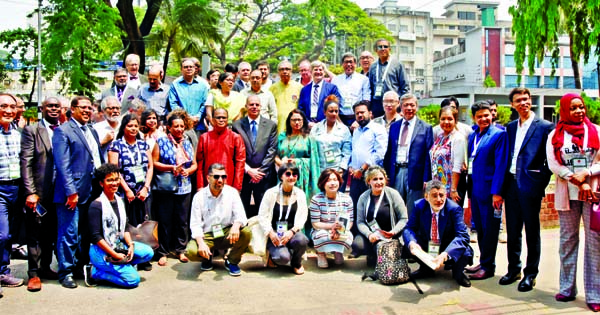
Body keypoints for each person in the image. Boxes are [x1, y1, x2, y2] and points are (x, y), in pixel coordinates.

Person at [547, 93, 600, 312]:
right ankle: (567, 288)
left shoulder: (596, 131)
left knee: (595, 243)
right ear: (564, 110)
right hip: (567, 193)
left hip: (593, 194)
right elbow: (553, 164)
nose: (579, 111)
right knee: (567, 241)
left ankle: (595, 293)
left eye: (581, 107)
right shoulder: (555, 134)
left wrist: (586, 173)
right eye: (574, 108)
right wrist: (575, 178)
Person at [499, 88, 555, 292]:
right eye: (518, 100)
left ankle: (530, 274)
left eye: (526, 99)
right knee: (512, 230)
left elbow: (550, 159)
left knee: (532, 231)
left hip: (530, 184)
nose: (523, 103)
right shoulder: (511, 127)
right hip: (511, 184)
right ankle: (514, 269)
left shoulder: (545, 126)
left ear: (530, 101)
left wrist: (539, 181)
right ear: (512, 105)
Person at [53, 96, 104, 288]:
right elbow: (62, 165)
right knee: (69, 233)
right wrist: (70, 192)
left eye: (90, 108)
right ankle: (65, 272)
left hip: (90, 189)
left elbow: (96, 158)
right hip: (71, 192)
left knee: (84, 232)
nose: (87, 111)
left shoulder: (91, 129)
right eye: (83, 108)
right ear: (72, 109)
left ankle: (78, 267)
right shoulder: (63, 131)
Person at [83, 163, 153, 288]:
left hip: (118, 244)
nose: (114, 183)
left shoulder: (119, 200)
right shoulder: (96, 205)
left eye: (116, 179)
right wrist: (115, 255)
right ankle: (95, 272)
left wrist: (130, 245)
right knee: (133, 281)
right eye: (109, 180)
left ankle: (122, 266)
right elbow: (96, 237)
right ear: (101, 183)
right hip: (102, 252)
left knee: (148, 253)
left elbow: (124, 227)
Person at [20, 96, 61, 292]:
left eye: (57, 106)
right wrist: (30, 192)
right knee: (35, 233)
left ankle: (45, 267)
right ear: (42, 108)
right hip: (39, 192)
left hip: (59, 192)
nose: (54, 109)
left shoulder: (64, 129)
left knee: (51, 232)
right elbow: (26, 162)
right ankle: (34, 274)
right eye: (50, 106)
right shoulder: (32, 130)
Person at [465, 101, 508, 281]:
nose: (483, 119)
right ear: (474, 118)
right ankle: (483, 262)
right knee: (480, 228)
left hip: (490, 191)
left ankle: (488, 267)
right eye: (479, 116)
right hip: (475, 187)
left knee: (490, 229)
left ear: (492, 115)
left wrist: (497, 193)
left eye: (486, 115)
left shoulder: (498, 135)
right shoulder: (473, 135)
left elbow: (501, 165)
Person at [403, 180, 473, 288]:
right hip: (429, 243)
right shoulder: (419, 206)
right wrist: (412, 243)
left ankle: (458, 273)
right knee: (408, 245)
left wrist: (445, 254)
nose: (439, 199)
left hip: (447, 245)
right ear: (426, 197)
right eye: (434, 196)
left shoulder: (454, 209)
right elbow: (409, 228)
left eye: (441, 195)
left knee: (464, 251)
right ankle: (426, 269)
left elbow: (462, 235)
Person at [187, 163, 251, 276]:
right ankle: (206, 257)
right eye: (216, 177)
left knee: (246, 232)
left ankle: (232, 261)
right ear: (208, 178)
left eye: (223, 177)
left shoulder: (232, 193)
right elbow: (195, 224)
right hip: (208, 235)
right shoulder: (199, 197)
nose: (220, 180)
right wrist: (201, 244)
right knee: (191, 252)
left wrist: (236, 226)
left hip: (226, 233)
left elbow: (241, 216)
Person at [152, 109, 198, 266]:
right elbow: (155, 163)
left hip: (184, 187)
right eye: (176, 126)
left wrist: (188, 170)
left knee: (182, 220)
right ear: (169, 128)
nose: (179, 129)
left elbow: (194, 164)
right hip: (167, 187)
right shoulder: (161, 142)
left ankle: (180, 250)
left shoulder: (187, 142)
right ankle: (163, 252)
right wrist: (171, 168)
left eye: (181, 126)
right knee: (165, 220)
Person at [384, 94, 433, 216]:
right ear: (401, 107)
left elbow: (428, 155)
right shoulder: (394, 126)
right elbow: (389, 152)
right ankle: (396, 234)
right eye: (406, 105)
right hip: (396, 172)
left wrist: (427, 178)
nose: (409, 108)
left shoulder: (426, 128)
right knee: (395, 208)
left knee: (414, 209)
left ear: (417, 107)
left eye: (412, 105)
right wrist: (386, 174)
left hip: (415, 174)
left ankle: (413, 234)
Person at [256, 163, 309, 275]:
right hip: (274, 234)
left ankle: (296, 263)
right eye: (288, 174)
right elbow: (262, 216)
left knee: (302, 240)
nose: (291, 177)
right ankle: (273, 255)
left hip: (291, 232)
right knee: (283, 258)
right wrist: (270, 233)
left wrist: (291, 232)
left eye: (294, 174)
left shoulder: (300, 194)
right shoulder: (270, 193)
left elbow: (303, 217)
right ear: (281, 176)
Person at [232, 95, 278, 218]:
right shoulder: (237, 125)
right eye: (251, 104)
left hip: (264, 176)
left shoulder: (270, 125)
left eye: (257, 105)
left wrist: (260, 172)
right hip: (244, 175)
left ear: (261, 107)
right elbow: (236, 151)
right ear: (246, 106)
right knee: (242, 210)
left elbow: (272, 150)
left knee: (264, 211)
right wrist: (249, 170)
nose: (254, 107)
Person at [352, 166, 408, 267]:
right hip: (373, 236)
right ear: (369, 181)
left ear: (385, 180)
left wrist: (393, 232)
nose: (379, 182)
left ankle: (381, 255)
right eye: (375, 179)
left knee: (383, 252)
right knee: (357, 245)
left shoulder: (393, 194)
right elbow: (360, 222)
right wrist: (369, 234)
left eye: (381, 179)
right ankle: (373, 254)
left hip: (390, 236)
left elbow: (404, 219)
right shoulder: (363, 198)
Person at [348, 100, 388, 228]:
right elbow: (354, 151)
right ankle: (356, 236)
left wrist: (362, 168)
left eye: (362, 112)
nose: (360, 115)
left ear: (370, 113)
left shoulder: (378, 129)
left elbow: (379, 153)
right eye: (357, 113)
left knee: (371, 206)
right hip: (356, 175)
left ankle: (371, 235)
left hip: (370, 175)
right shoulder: (356, 131)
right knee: (355, 205)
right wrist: (351, 167)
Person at [0, 93, 24, 296]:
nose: (8, 110)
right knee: (3, 233)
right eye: (3, 106)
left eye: (12, 107)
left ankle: (3, 272)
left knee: (9, 235)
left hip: (15, 188)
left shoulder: (18, 133)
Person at [309, 169, 354, 268]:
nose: (332, 183)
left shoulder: (347, 199)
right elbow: (315, 224)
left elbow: (350, 221)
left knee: (348, 237)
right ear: (322, 183)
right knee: (321, 236)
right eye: (328, 180)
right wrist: (331, 227)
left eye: (335, 179)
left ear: (339, 181)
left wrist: (340, 231)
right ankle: (321, 253)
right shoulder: (316, 199)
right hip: (322, 230)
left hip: (340, 229)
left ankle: (337, 251)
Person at [275, 109, 320, 201]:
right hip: (284, 173)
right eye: (294, 120)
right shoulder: (282, 137)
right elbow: (275, 155)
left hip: (302, 177)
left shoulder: (309, 138)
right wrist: (281, 163)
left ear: (303, 121)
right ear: (289, 121)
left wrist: (296, 161)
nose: (297, 122)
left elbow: (314, 161)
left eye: (299, 120)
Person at [196, 108, 246, 192]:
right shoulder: (204, 137)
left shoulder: (235, 137)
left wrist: (237, 187)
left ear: (227, 119)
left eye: (224, 117)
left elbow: (240, 164)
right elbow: (200, 163)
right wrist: (200, 186)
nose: (221, 120)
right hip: (208, 184)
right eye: (218, 117)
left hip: (228, 183)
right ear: (212, 119)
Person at [429, 106, 466, 204]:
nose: (446, 122)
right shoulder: (440, 137)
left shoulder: (458, 138)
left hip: (450, 189)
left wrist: (453, 190)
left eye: (450, 119)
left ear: (455, 120)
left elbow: (457, 166)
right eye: (443, 119)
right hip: (437, 187)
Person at [309, 95, 352, 177]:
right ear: (324, 112)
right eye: (331, 111)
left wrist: (341, 169)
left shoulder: (344, 129)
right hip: (319, 170)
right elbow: (311, 148)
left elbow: (347, 152)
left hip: (337, 170)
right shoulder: (316, 128)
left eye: (336, 111)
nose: (334, 114)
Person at [368, 39, 410, 118]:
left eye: (385, 46)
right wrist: (370, 109)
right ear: (376, 50)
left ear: (389, 49)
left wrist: (402, 108)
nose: (383, 49)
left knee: (393, 128)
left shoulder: (397, 65)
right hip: (377, 106)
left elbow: (405, 88)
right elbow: (370, 88)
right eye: (380, 47)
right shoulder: (373, 67)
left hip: (393, 105)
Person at [168, 58, 210, 134]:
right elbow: (173, 104)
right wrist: (187, 118)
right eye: (186, 67)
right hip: (181, 126)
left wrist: (198, 117)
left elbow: (205, 103)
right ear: (181, 69)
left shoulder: (203, 85)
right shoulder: (175, 84)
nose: (189, 69)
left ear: (195, 69)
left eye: (191, 67)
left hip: (198, 125)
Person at [297, 60, 342, 127]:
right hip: (309, 126)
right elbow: (301, 109)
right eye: (315, 70)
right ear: (311, 72)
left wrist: (325, 122)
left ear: (324, 72)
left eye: (320, 70)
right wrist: (307, 122)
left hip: (326, 125)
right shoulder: (304, 90)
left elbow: (337, 106)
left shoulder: (331, 88)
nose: (318, 72)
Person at [331, 52, 370, 126]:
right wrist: (338, 120)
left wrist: (359, 119)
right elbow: (333, 100)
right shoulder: (335, 80)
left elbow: (366, 99)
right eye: (346, 62)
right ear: (342, 64)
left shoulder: (363, 79)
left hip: (357, 117)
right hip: (340, 118)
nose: (349, 64)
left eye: (351, 62)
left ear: (355, 64)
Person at [270, 60, 303, 133]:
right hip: (278, 128)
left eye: (287, 69)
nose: (285, 71)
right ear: (278, 72)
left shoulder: (299, 88)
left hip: (295, 127)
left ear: (291, 71)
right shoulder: (272, 88)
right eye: (282, 69)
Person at [93, 96, 121, 160]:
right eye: (112, 108)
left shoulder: (125, 126)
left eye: (117, 108)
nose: (115, 111)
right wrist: (103, 142)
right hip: (105, 167)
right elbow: (90, 151)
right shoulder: (96, 129)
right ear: (103, 111)